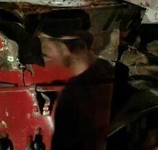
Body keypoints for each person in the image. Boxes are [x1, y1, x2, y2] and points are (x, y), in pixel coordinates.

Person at [36, 10, 114, 150]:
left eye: (47, 48)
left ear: (64, 47)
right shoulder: (110, 74)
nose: (46, 56)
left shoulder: (73, 94)